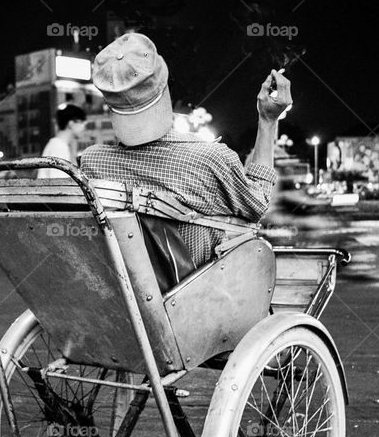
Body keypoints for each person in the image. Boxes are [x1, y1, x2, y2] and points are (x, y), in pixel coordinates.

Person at [80, 32, 292, 268]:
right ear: (164, 82)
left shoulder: (92, 162)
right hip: (192, 297)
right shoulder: (210, 160)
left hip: (120, 295)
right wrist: (268, 120)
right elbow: (258, 202)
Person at [36, 103, 87, 179]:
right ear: (71, 123)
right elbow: (59, 183)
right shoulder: (59, 147)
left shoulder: (58, 144)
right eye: (83, 123)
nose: (85, 128)